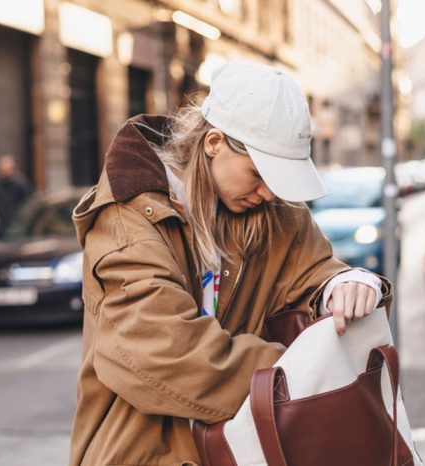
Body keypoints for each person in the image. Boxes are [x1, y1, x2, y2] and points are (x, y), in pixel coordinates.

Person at [69, 61, 392, 466]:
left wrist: (346, 285)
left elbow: (315, 273)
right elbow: (162, 353)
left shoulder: (273, 211)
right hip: (145, 452)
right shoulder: (127, 217)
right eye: (259, 173)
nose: (269, 192)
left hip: (250, 450)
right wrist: (299, 373)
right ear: (214, 143)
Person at [0, 155, 31, 239]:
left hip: (17, 220)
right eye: (3, 169)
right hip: (2, 219)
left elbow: (27, 200)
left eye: (7, 169)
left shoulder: (20, 183)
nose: (5, 172)